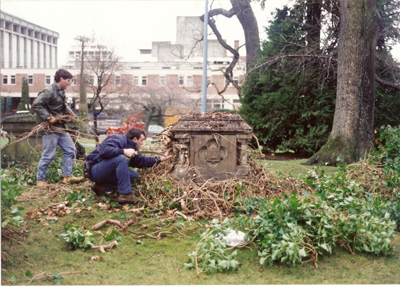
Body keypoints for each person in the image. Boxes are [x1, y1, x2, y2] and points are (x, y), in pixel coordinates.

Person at [85, 128, 172, 204]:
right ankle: (125, 195)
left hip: (105, 172)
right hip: (94, 170)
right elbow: (104, 151)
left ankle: (101, 187)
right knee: (121, 158)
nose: (142, 143)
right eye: (141, 140)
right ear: (135, 139)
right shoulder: (117, 138)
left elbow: (142, 161)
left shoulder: (131, 148)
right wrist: (123, 151)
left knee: (134, 175)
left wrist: (159, 159)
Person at [32, 69, 84, 187]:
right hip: (49, 129)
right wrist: (48, 117)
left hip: (60, 127)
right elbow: (36, 104)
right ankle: (40, 180)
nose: (69, 83)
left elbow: (64, 105)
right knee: (49, 154)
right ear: (61, 79)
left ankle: (67, 177)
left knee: (71, 150)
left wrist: (70, 113)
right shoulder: (49, 91)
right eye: (68, 80)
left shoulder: (61, 91)